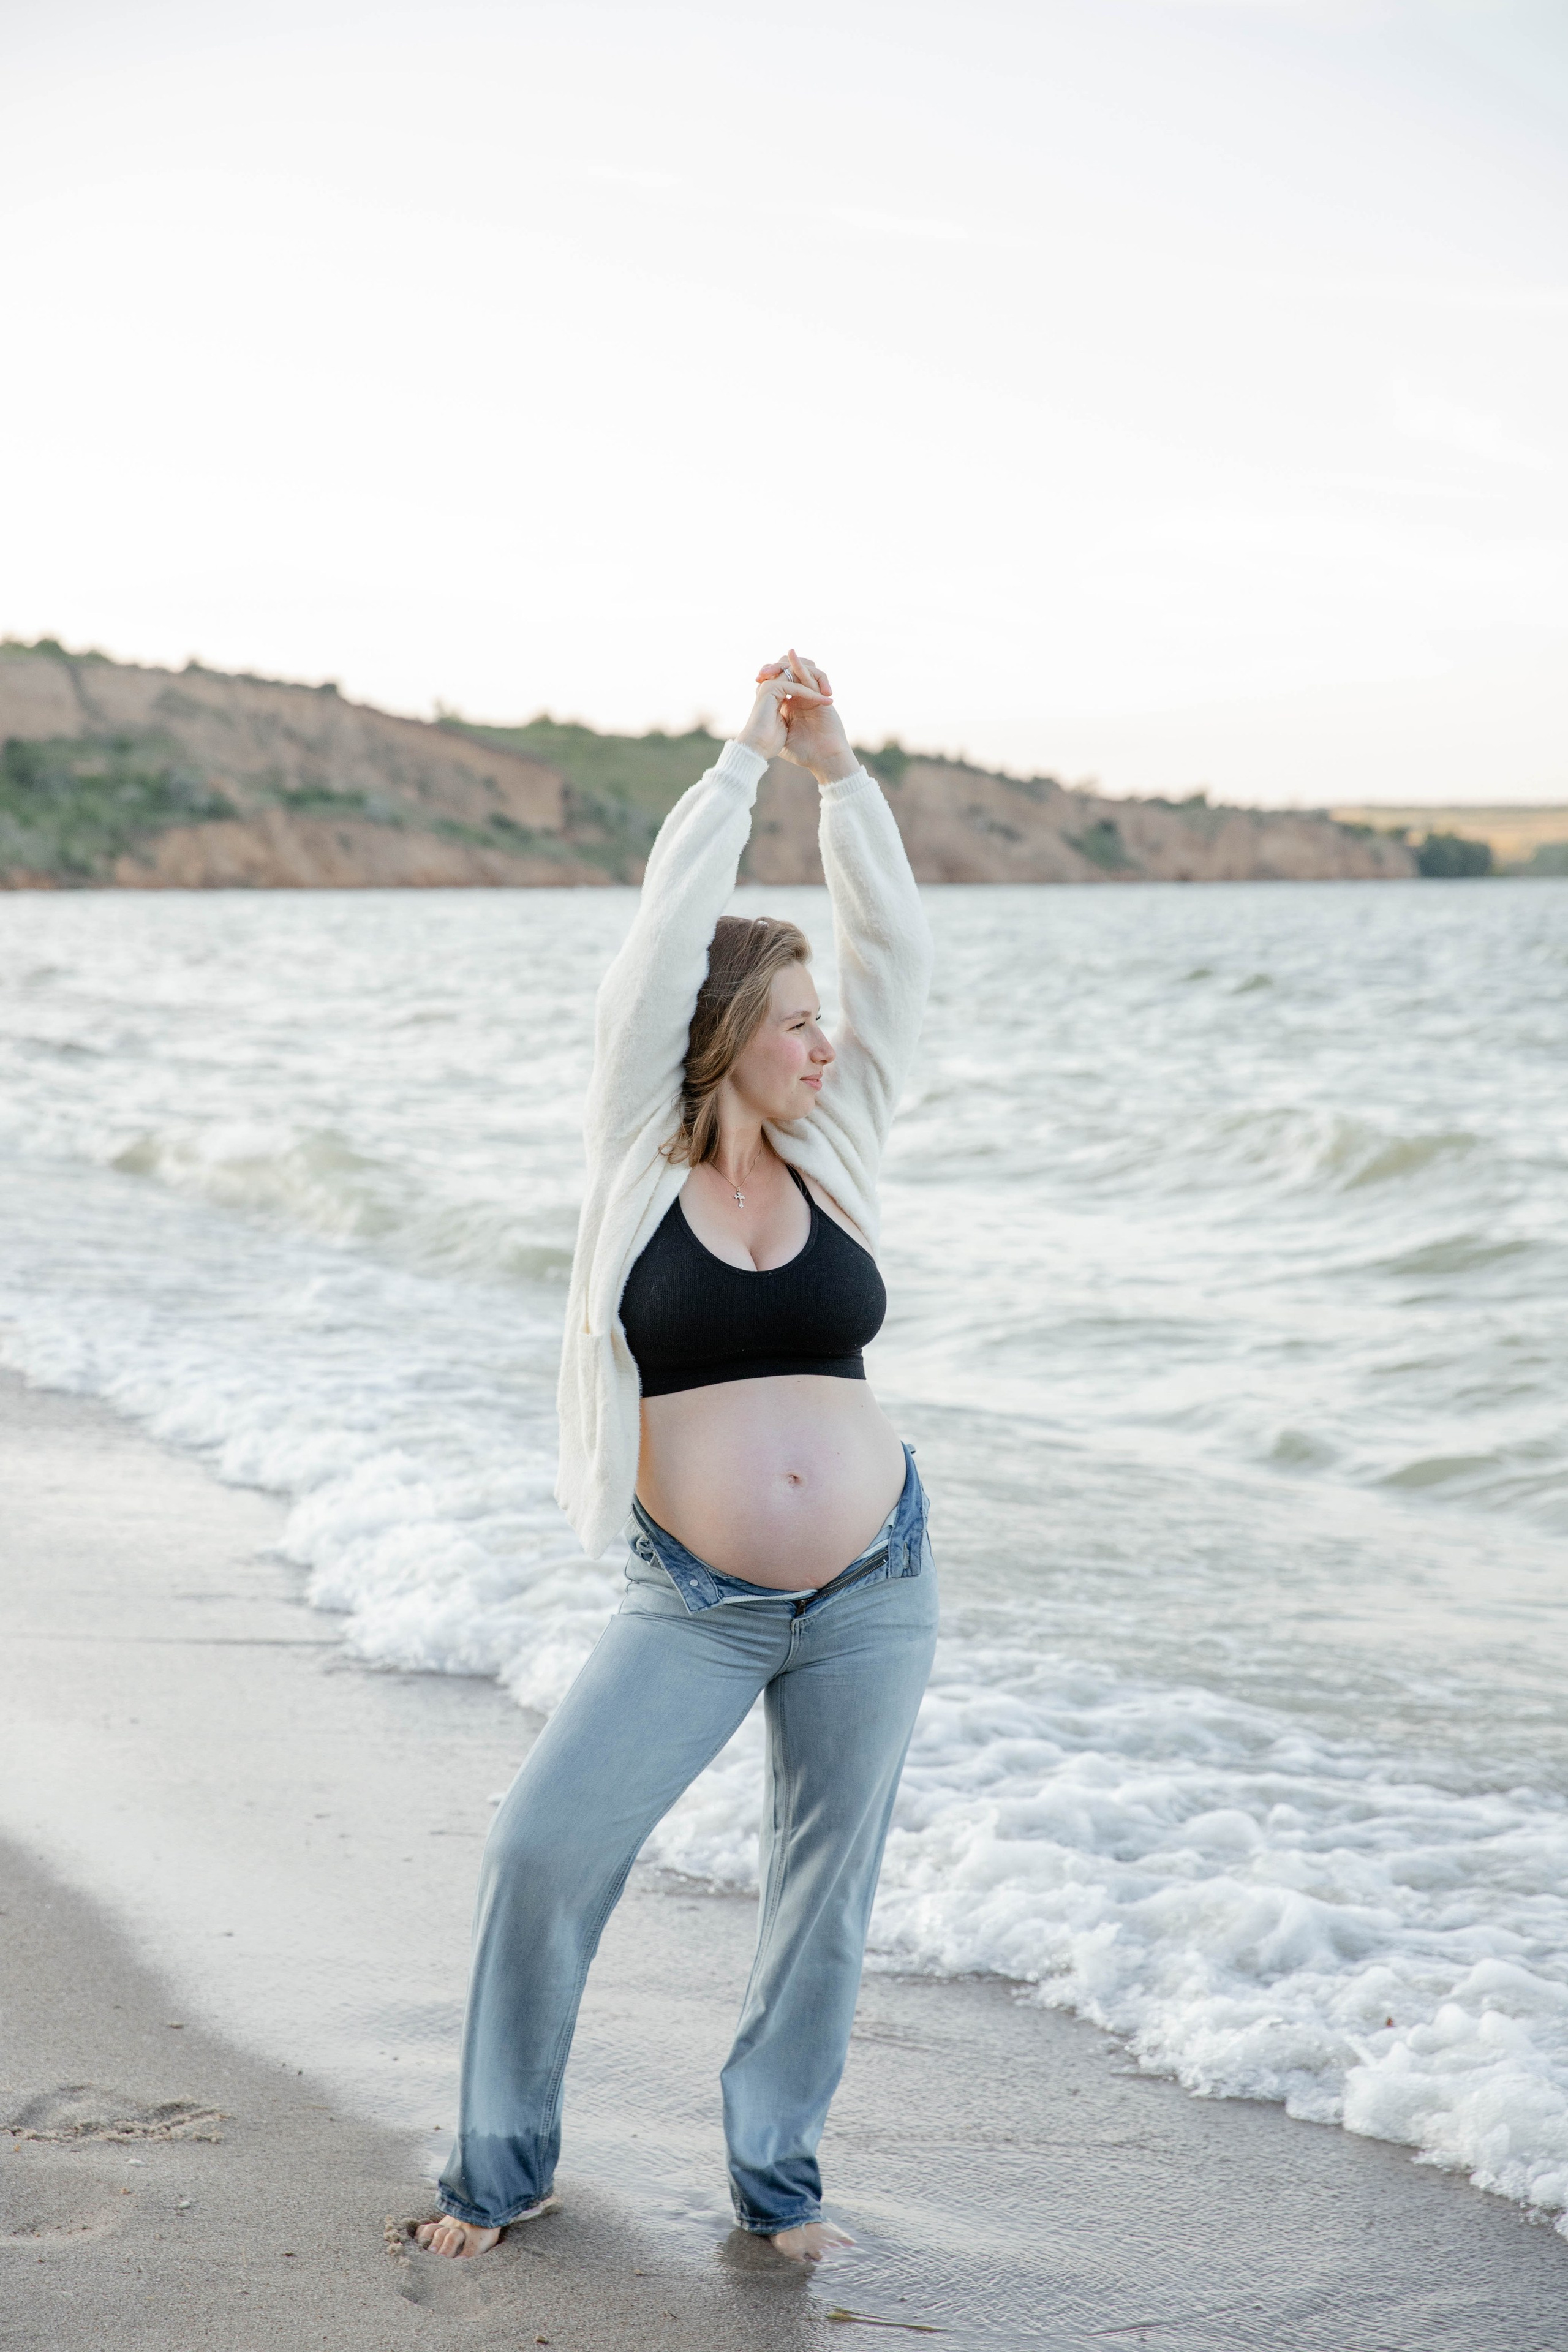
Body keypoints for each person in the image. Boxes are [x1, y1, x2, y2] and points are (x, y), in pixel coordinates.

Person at [418, 652, 937, 2263]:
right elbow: (657, 950)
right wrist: (738, 766)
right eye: (794, 1023)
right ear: (724, 1038)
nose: (824, 1045)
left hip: (876, 1582)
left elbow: (899, 956)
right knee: (544, 1846)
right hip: (694, 1596)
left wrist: (840, 778)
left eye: (822, 1022)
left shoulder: (839, 1149)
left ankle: (778, 2189)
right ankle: (500, 2171)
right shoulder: (632, 1162)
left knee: (821, 1898)